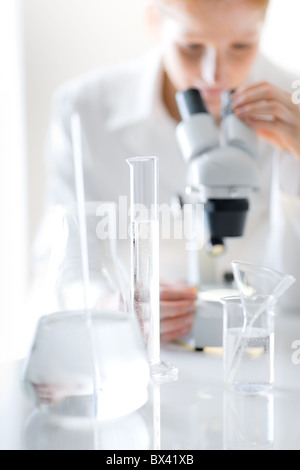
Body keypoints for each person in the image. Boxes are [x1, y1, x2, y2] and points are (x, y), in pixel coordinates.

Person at [37, 0, 300, 342]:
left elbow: (290, 288)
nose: (213, 75)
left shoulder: (293, 103)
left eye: (240, 46)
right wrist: (110, 307)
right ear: (154, 21)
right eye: (192, 47)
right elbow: (62, 263)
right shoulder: (84, 109)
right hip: (132, 353)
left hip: (258, 346)